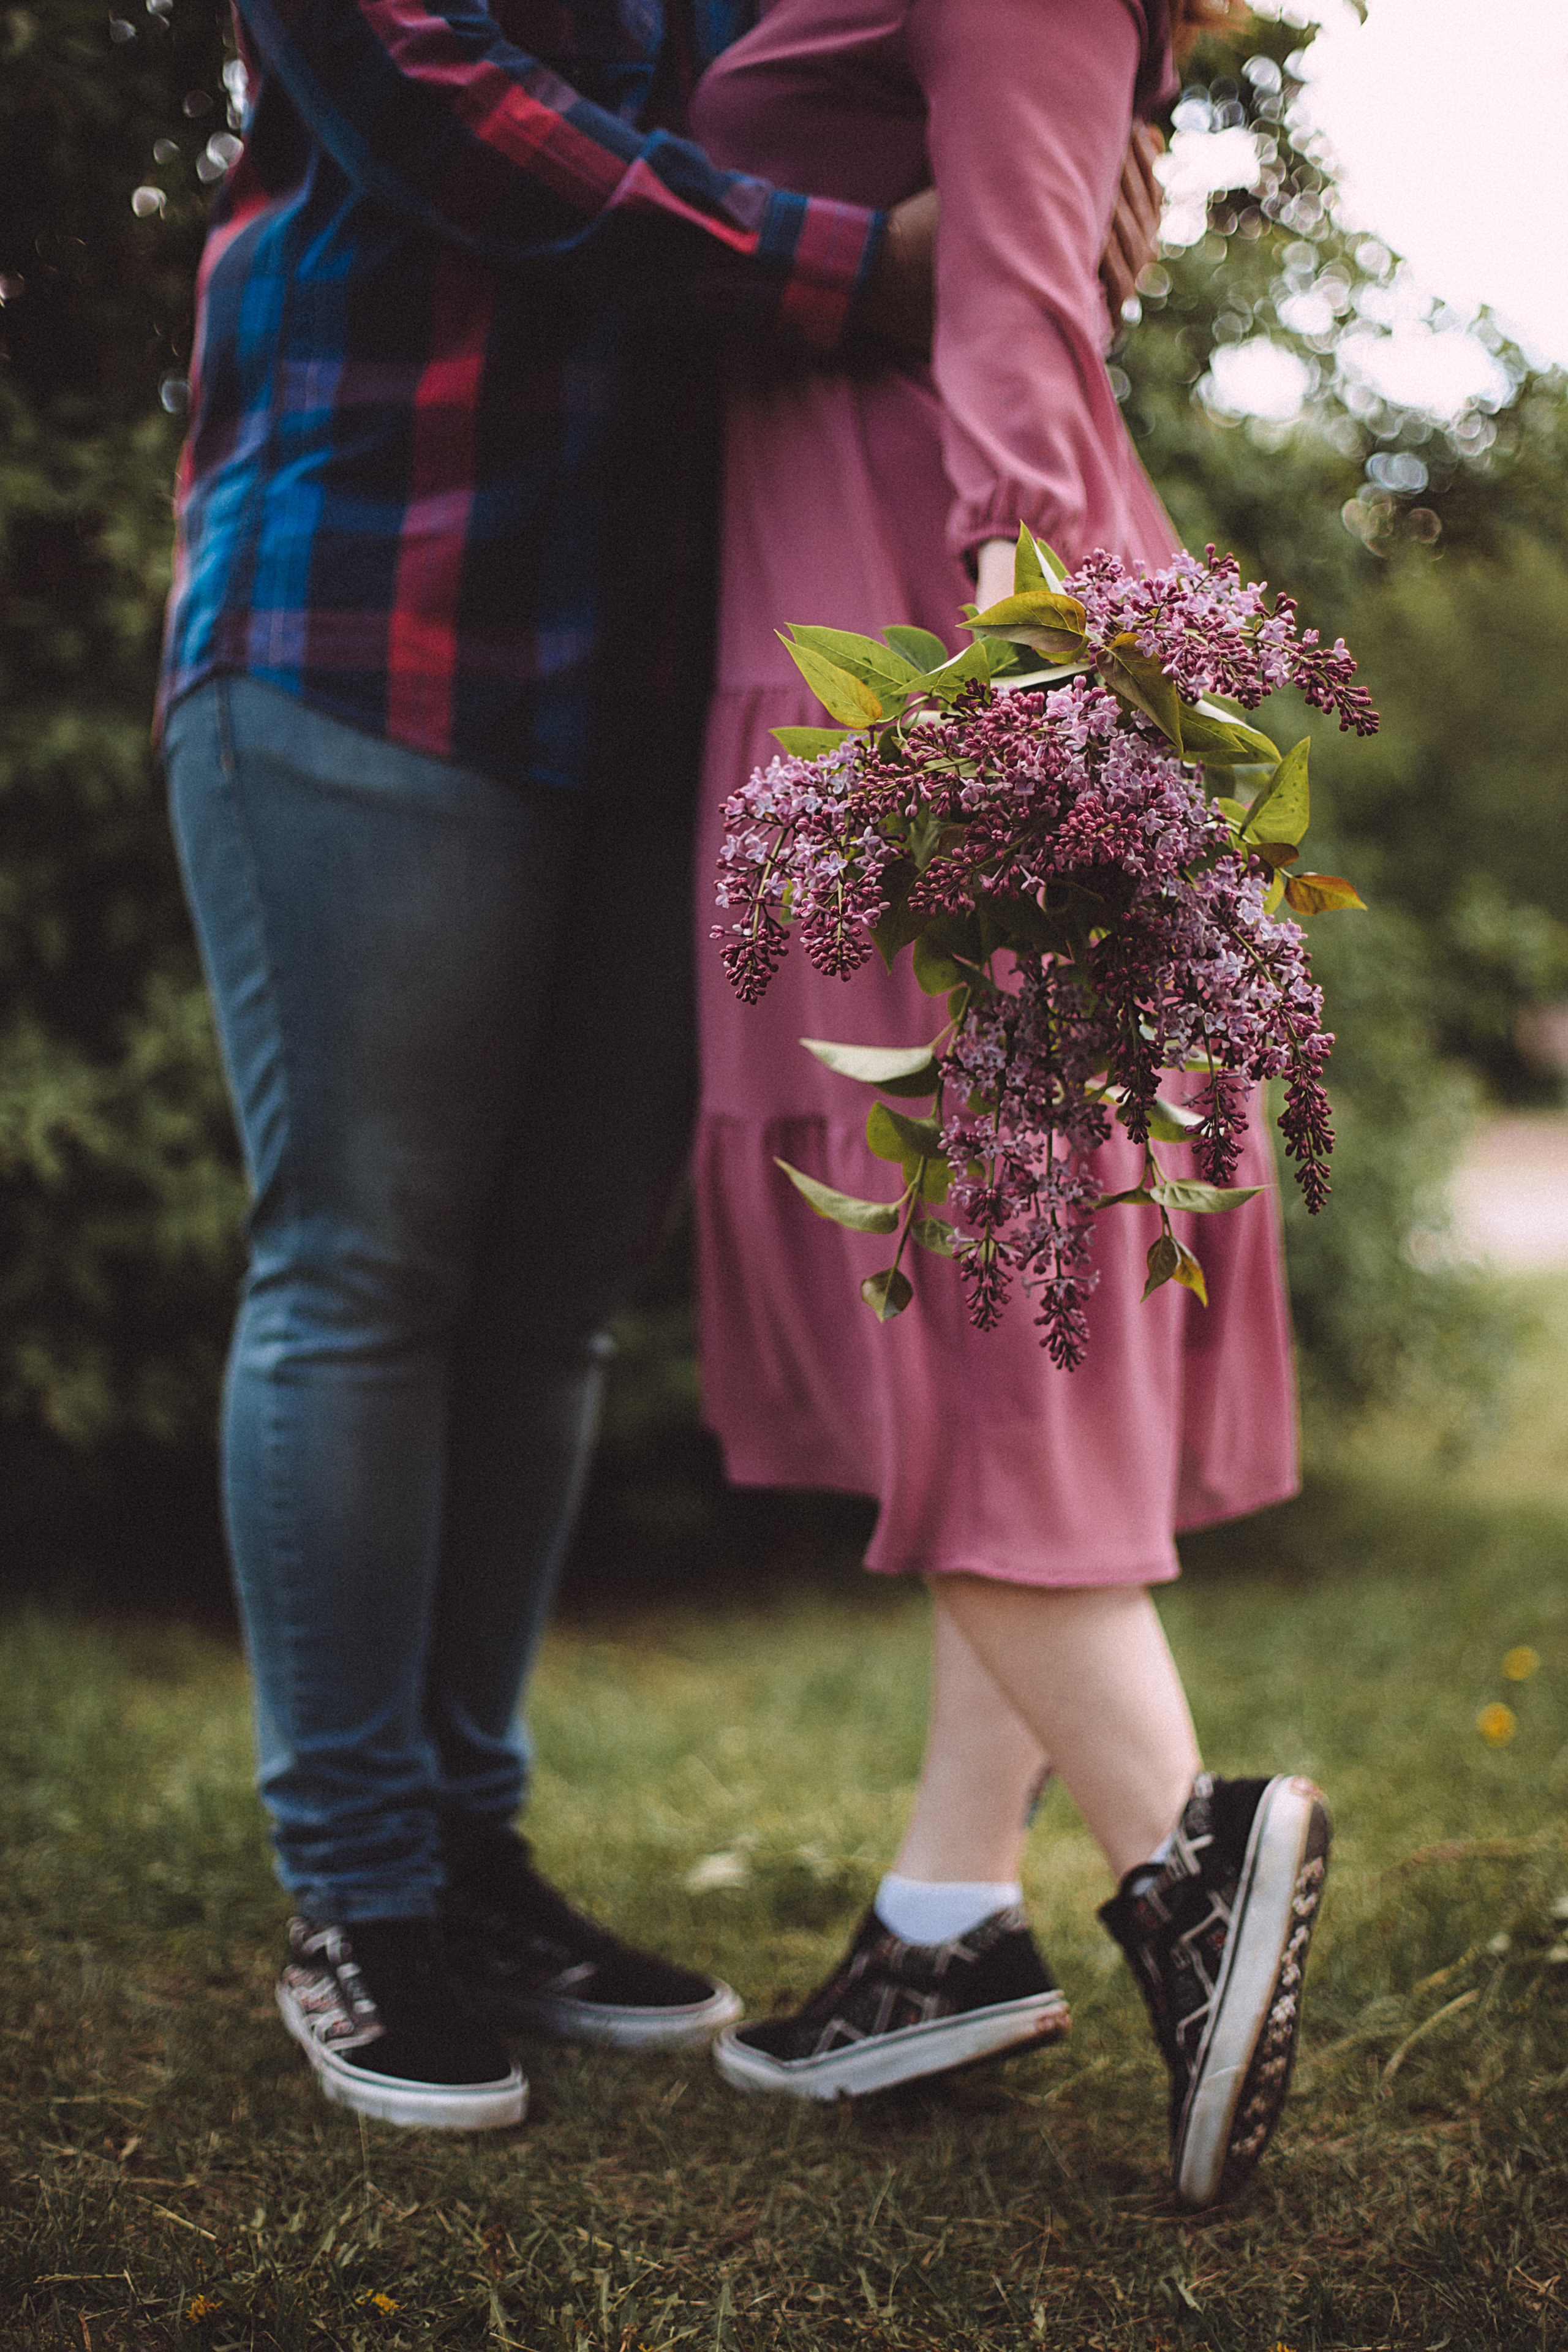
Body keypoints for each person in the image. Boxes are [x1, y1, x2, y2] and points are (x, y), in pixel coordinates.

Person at [157, 0, 944, 2132]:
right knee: (366, 1266)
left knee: (550, 1305)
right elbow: (455, 114)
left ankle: (473, 1867)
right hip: (364, 618)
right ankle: (359, 1902)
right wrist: (851, 270)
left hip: (661, 673)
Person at [689, 0, 1331, 2207]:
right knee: (994, 1271)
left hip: (935, 639)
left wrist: (1018, 636)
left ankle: (1187, 1855)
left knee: (959, 1256)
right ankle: (949, 1926)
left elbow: (1032, 284)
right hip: (896, 607)